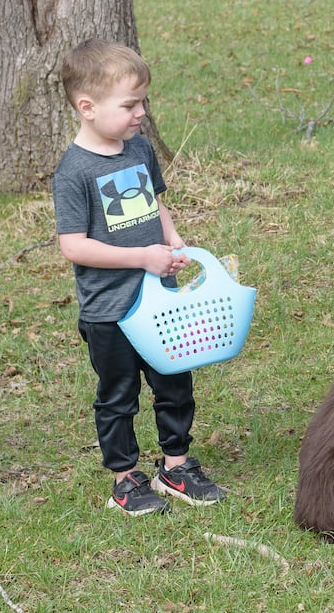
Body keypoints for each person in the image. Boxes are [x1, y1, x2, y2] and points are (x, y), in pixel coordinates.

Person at [52, 39, 229, 515]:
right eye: (130, 105)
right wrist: (142, 258)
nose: (141, 113)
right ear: (87, 107)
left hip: (160, 300)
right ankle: (125, 479)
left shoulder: (139, 150)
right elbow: (74, 246)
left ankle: (176, 467)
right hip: (110, 311)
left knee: (174, 383)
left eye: (143, 102)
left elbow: (154, 203)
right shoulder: (73, 172)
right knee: (118, 396)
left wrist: (172, 240)